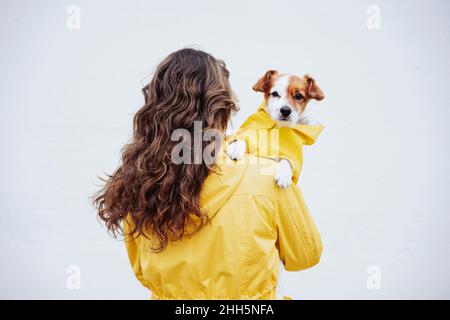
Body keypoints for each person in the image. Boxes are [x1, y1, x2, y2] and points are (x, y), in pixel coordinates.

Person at [92, 48, 322, 299]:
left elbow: (140, 270)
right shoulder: (267, 172)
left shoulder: (139, 181)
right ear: (224, 108)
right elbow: (305, 255)